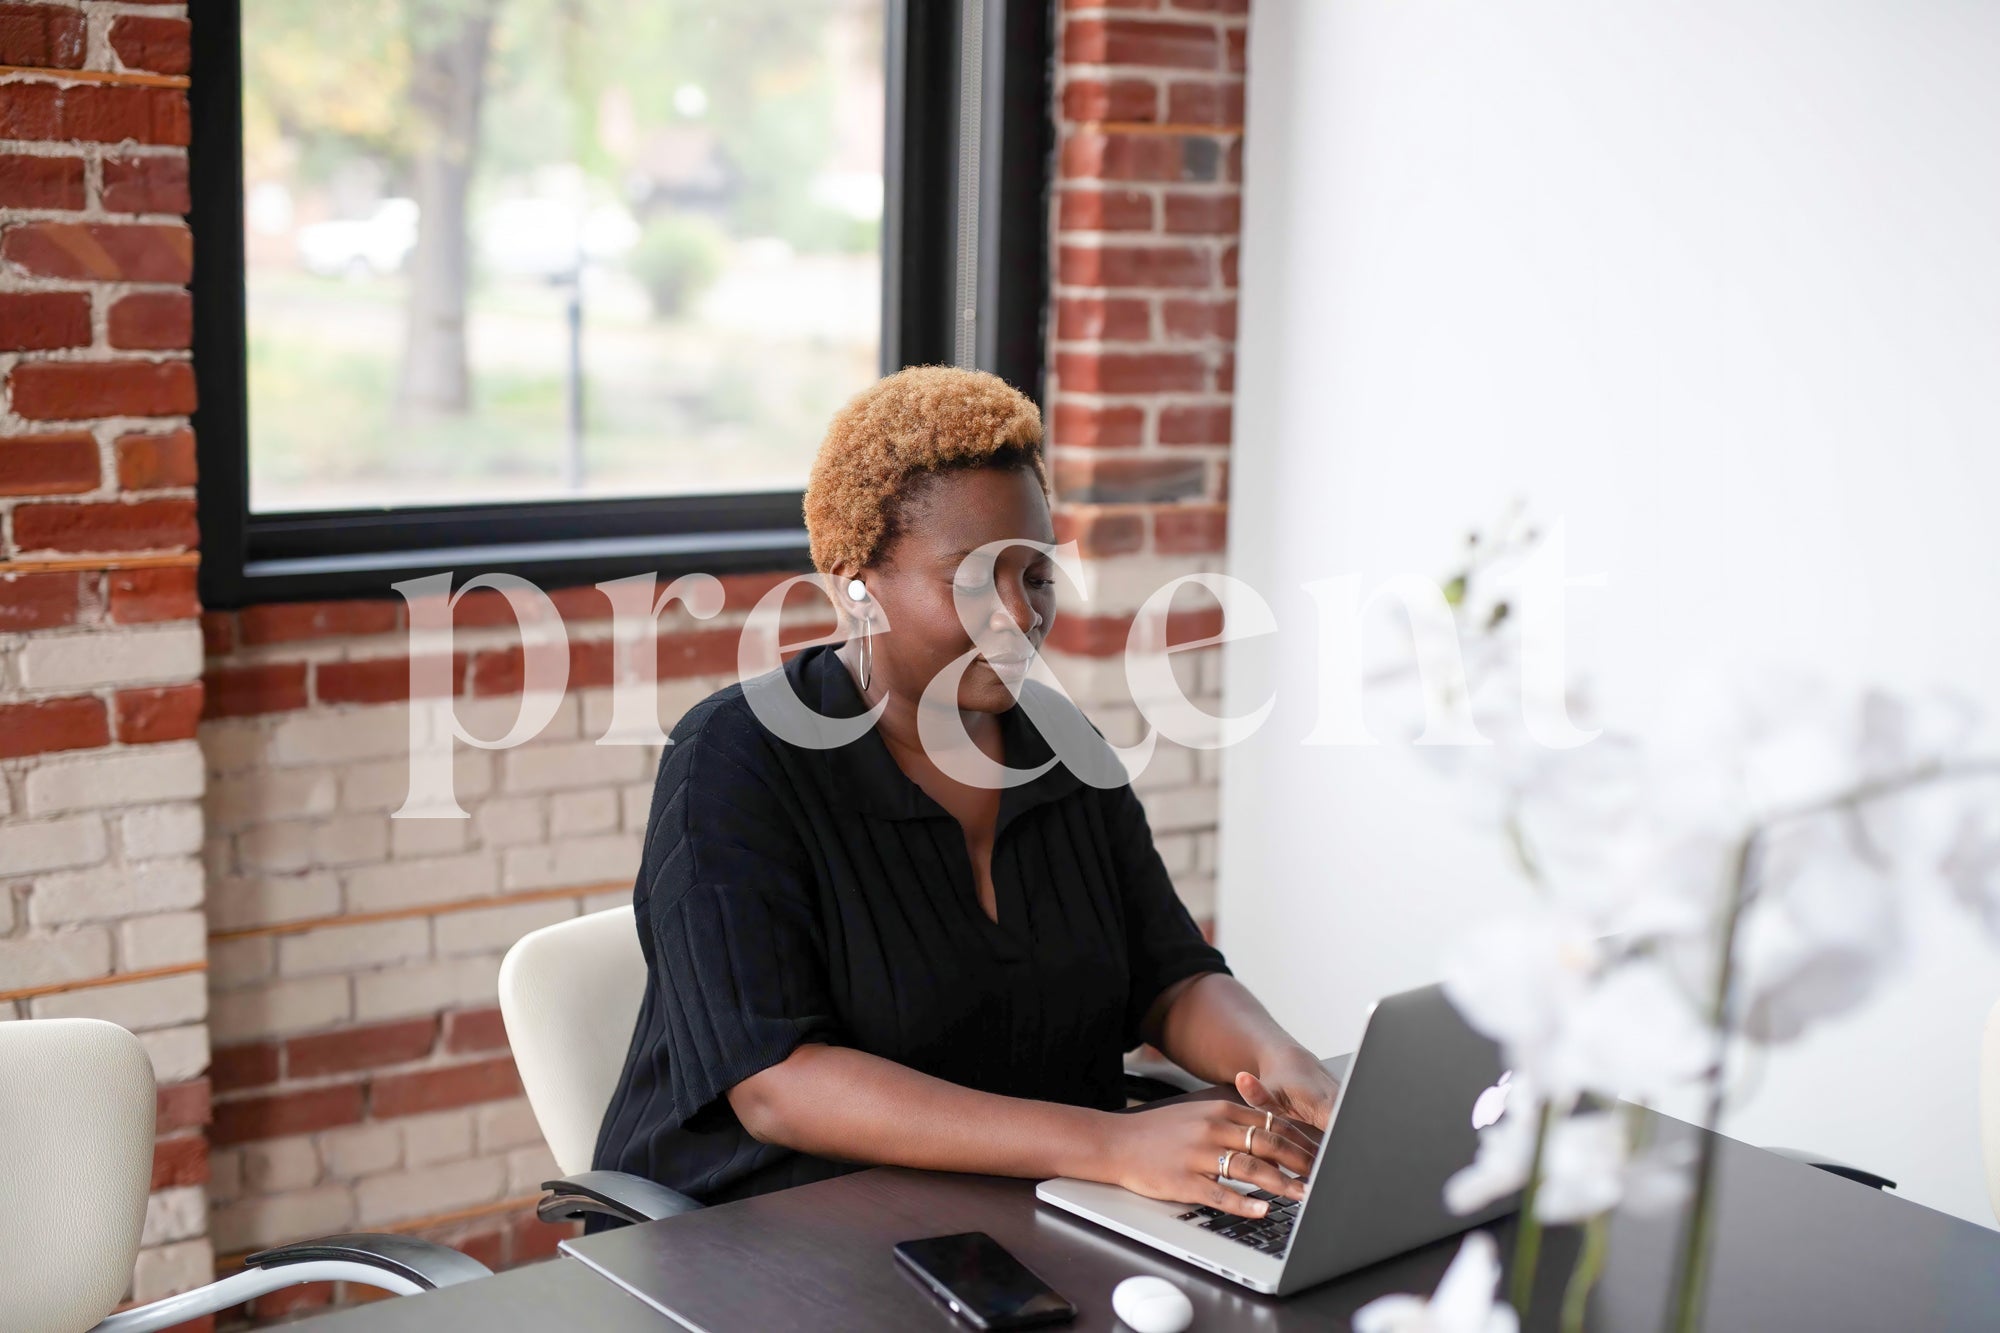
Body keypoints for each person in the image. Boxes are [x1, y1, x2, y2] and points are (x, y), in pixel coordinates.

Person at [593, 366, 1338, 1223]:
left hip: (1010, 1213)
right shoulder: (739, 755)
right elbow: (777, 1084)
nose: (1021, 614)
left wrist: (1279, 1060)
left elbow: (1170, 979)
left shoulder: (1059, 745)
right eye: (976, 579)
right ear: (854, 584)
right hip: (760, 1231)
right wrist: (1110, 1145)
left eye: (1037, 575)